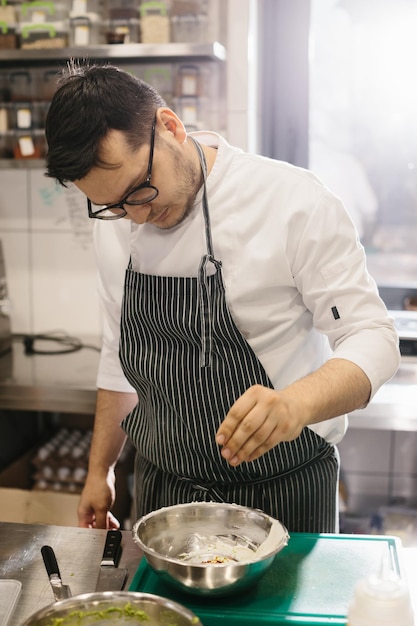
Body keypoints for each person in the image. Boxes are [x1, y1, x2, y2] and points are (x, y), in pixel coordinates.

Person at [44, 62, 400, 534]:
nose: (139, 214)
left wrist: (295, 404)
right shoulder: (119, 223)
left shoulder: (291, 201)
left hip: (284, 491)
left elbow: (373, 337)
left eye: (140, 189)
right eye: (114, 206)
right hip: (165, 493)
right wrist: (99, 471)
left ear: (170, 127)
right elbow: (118, 354)